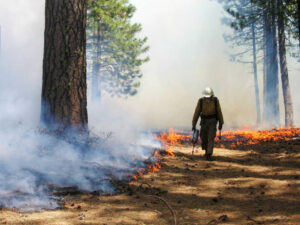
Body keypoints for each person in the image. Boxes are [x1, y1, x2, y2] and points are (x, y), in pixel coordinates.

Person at [192, 87, 224, 160]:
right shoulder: (201, 101)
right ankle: (206, 151)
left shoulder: (215, 101)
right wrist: (193, 124)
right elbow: (196, 113)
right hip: (204, 122)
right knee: (203, 137)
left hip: (213, 121)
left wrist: (221, 122)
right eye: (206, 97)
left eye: (209, 97)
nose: (207, 98)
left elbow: (219, 112)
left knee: (210, 137)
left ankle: (209, 154)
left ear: (212, 95)